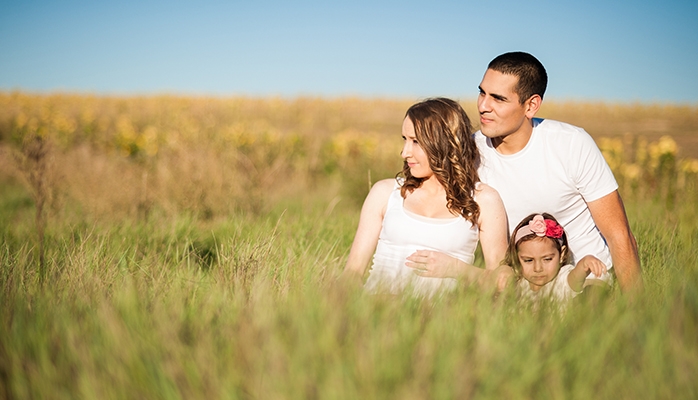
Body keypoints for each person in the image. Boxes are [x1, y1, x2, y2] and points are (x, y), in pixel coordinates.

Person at [474, 51, 642, 295]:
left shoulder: (572, 144)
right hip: (520, 285)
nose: (483, 106)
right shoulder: (469, 151)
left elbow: (619, 235)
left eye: (498, 99)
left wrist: (638, 314)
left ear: (530, 105)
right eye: (482, 92)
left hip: (586, 281)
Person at [342, 98, 510, 297]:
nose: (405, 152)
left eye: (416, 141)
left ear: (445, 142)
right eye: (404, 139)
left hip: (444, 322)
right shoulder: (385, 193)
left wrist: (456, 269)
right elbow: (352, 273)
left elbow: (504, 281)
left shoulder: (484, 200)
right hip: (378, 314)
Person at [505, 213, 608, 310]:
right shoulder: (519, 283)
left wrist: (585, 263)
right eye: (528, 260)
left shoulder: (561, 280)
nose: (538, 268)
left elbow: (576, 278)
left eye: (547, 259)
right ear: (516, 257)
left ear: (561, 254)